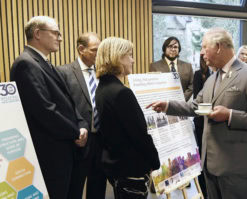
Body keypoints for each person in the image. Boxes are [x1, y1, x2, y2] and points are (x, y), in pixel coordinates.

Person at [147, 28, 247, 199]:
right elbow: (195, 106)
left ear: (219, 47)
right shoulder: (212, 79)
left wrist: (229, 115)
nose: (201, 53)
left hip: (235, 168)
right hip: (209, 166)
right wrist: (168, 105)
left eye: (204, 47)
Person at [10, 16, 88, 199]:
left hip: (65, 147)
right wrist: (76, 132)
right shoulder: (25, 64)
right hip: (51, 153)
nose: (60, 38)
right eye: (56, 33)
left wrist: (81, 123)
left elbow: (68, 102)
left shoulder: (44, 63)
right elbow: (45, 110)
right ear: (37, 33)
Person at [95, 37, 160, 199]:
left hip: (117, 165)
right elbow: (139, 134)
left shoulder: (103, 88)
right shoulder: (121, 92)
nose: (133, 59)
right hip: (131, 167)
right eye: (129, 55)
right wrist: (155, 161)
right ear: (117, 57)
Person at [57, 32, 107, 199]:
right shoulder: (64, 72)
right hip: (79, 140)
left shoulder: (103, 73)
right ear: (81, 49)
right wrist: (76, 130)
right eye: (95, 50)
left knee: (99, 185)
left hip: (102, 140)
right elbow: (63, 108)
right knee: (75, 187)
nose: (99, 54)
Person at [192, 54, 213, 199]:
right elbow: (197, 100)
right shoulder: (199, 74)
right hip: (201, 121)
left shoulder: (219, 74)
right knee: (202, 158)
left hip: (216, 121)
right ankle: (204, 191)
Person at [149, 36, 193, 101]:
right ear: (164, 49)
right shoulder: (154, 66)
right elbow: (153, 87)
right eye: (170, 46)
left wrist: (182, 99)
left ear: (179, 50)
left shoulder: (187, 66)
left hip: (182, 104)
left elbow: (192, 85)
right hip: (162, 104)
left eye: (175, 47)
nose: (173, 49)